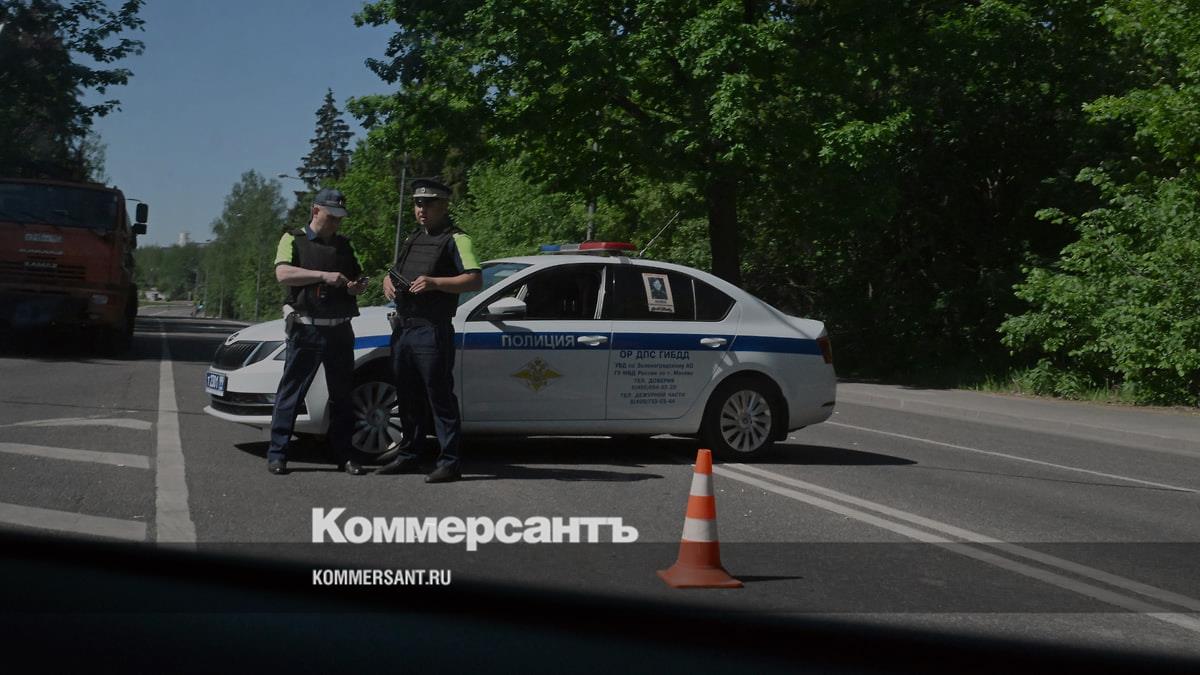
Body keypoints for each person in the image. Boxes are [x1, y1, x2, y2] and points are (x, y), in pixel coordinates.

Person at [375, 178, 481, 483]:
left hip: (432, 330)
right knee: (407, 397)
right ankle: (409, 454)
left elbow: (474, 279)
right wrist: (387, 280)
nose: (421, 209)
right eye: (417, 203)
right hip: (404, 329)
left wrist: (436, 283)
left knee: (439, 398)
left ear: (444, 205)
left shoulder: (457, 239)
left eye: (429, 203)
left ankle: (450, 462)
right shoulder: (413, 238)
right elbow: (396, 272)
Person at [266, 188, 370, 476]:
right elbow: (282, 273)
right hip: (306, 328)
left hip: (340, 330)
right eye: (331, 216)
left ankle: (344, 455)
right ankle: (278, 454)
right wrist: (323, 276)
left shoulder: (345, 245)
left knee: (342, 397)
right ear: (315, 211)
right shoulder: (293, 239)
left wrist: (357, 286)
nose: (336, 222)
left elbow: (358, 276)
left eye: (339, 217)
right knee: (292, 393)